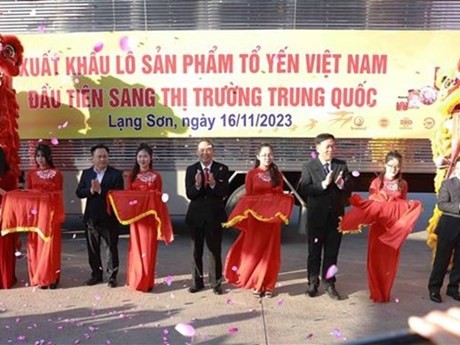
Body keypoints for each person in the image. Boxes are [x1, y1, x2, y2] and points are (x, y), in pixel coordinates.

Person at [339, 151, 422, 302]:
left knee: (389, 263)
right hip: (378, 228)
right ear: (385, 165)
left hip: (393, 229)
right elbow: (372, 206)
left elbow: (403, 206)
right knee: (375, 261)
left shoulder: (403, 184)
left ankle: (386, 292)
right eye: (391, 165)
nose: (393, 169)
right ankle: (376, 292)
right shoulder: (377, 183)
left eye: (397, 167)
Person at [223, 143, 294, 298]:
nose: (267, 158)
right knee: (255, 251)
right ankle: (256, 283)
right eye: (263, 155)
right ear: (257, 157)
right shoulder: (251, 174)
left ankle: (268, 285)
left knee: (270, 252)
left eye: (269, 155)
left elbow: (280, 196)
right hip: (256, 220)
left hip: (272, 220)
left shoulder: (278, 174)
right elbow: (248, 198)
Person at [298, 133, 352, 300]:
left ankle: (329, 283)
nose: (331, 149)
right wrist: (323, 185)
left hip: (335, 217)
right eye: (327, 146)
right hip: (316, 217)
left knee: (332, 252)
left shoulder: (341, 165)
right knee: (314, 252)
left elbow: (349, 188)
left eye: (333, 146)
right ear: (318, 148)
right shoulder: (308, 166)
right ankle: (312, 283)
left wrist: (342, 184)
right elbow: (304, 189)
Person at [124, 143, 173, 292]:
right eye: (140, 156)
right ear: (136, 158)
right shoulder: (131, 176)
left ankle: (147, 281)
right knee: (136, 249)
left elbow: (158, 198)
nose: (142, 159)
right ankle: (135, 280)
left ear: (150, 158)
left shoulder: (156, 176)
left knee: (148, 249)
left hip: (150, 219)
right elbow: (128, 198)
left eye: (145, 156)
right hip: (137, 219)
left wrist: (151, 196)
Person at [185, 139, 229, 295]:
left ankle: (216, 283)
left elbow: (223, 193)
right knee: (196, 251)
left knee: (214, 251)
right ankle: (197, 283)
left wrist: (213, 184)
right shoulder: (191, 169)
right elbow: (190, 194)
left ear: (213, 151)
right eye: (202, 150)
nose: (205, 153)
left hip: (214, 216)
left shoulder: (222, 169)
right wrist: (197, 186)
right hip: (195, 217)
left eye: (208, 149)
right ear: (197, 152)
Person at [76, 144, 124, 288]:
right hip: (91, 217)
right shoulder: (87, 173)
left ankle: (112, 276)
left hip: (109, 217)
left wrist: (101, 190)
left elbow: (119, 194)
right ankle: (96, 274)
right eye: (99, 156)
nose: (102, 159)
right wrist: (91, 190)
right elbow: (79, 192)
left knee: (111, 248)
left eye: (105, 156)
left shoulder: (115, 174)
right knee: (93, 248)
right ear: (93, 158)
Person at [26, 144, 64, 289]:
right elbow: (28, 196)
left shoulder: (57, 174)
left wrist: (46, 197)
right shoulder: (31, 174)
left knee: (51, 247)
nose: (40, 159)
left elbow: (59, 195)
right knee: (37, 247)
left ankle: (52, 278)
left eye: (42, 156)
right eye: (37, 156)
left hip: (51, 215)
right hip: (36, 217)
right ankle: (41, 277)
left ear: (48, 156)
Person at [427, 156, 460, 303]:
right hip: (449, 225)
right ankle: (434, 289)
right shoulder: (448, 184)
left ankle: (453, 288)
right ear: (456, 168)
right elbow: (442, 204)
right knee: (442, 260)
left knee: (459, 262)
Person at [0, 147, 18, 289]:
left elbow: (14, 197)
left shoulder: (9, 176)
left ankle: (5, 278)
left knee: (4, 249)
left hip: (4, 216)